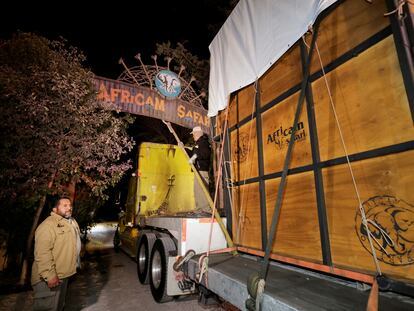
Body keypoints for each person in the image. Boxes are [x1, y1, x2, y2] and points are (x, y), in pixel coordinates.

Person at [31, 197, 81, 311]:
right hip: (48, 278)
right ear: (54, 209)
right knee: (48, 307)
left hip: (62, 275)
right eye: (65, 205)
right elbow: (42, 253)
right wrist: (49, 276)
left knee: (58, 307)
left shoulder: (71, 222)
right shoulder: (48, 226)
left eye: (70, 205)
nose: (69, 208)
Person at [188, 126, 211, 213]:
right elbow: (194, 153)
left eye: (193, 134)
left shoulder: (204, 142)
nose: (193, 136)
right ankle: (199, 209)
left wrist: (194, 157)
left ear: (197, 133)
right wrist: (184, 148)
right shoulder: (198, 144)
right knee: (197, 190)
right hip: (198, 170)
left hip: (202, 170)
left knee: (202, 190)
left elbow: (204, 154)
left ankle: (206, 209)